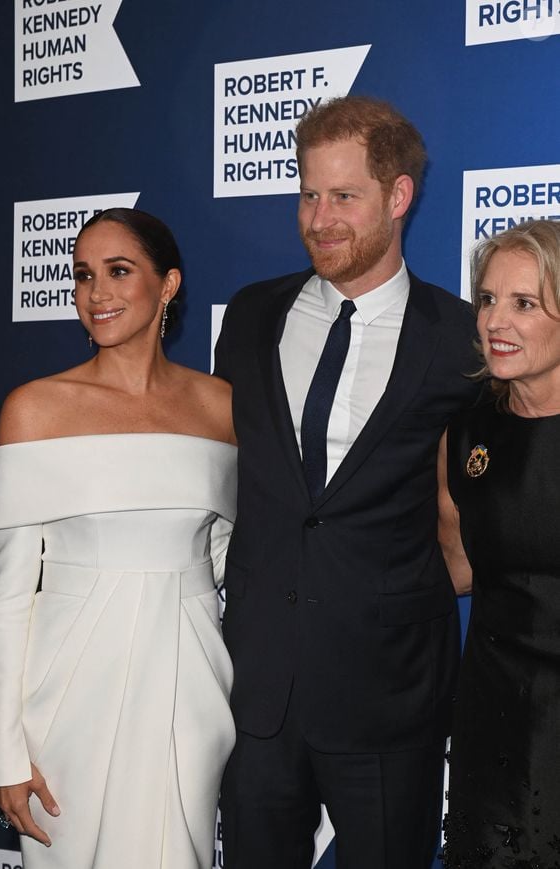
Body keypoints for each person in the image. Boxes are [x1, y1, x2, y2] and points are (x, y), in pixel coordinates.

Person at [215, 95, 480, 869]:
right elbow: (206, 440)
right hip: (258, 692)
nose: (319, 218)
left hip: (390, 696)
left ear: (398, 197)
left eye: (343, 196)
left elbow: (500, 478)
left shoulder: (460, 337)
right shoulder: (253, 316)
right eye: (307, 193)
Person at [0, 207, 237, 869]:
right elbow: (11, 598)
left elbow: (226, 553)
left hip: (189, 688)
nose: (96, 293)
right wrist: (4, 751)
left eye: (118, 271)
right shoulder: (34, 409)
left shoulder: (223, 408)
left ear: (168, 285)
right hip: (70, 694)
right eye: (82, 275)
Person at [438, 218, 560, 868]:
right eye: (487, 299)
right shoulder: (465, 432)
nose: (495, 320)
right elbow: (455, 565)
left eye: (524, 303)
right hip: (494, 729)